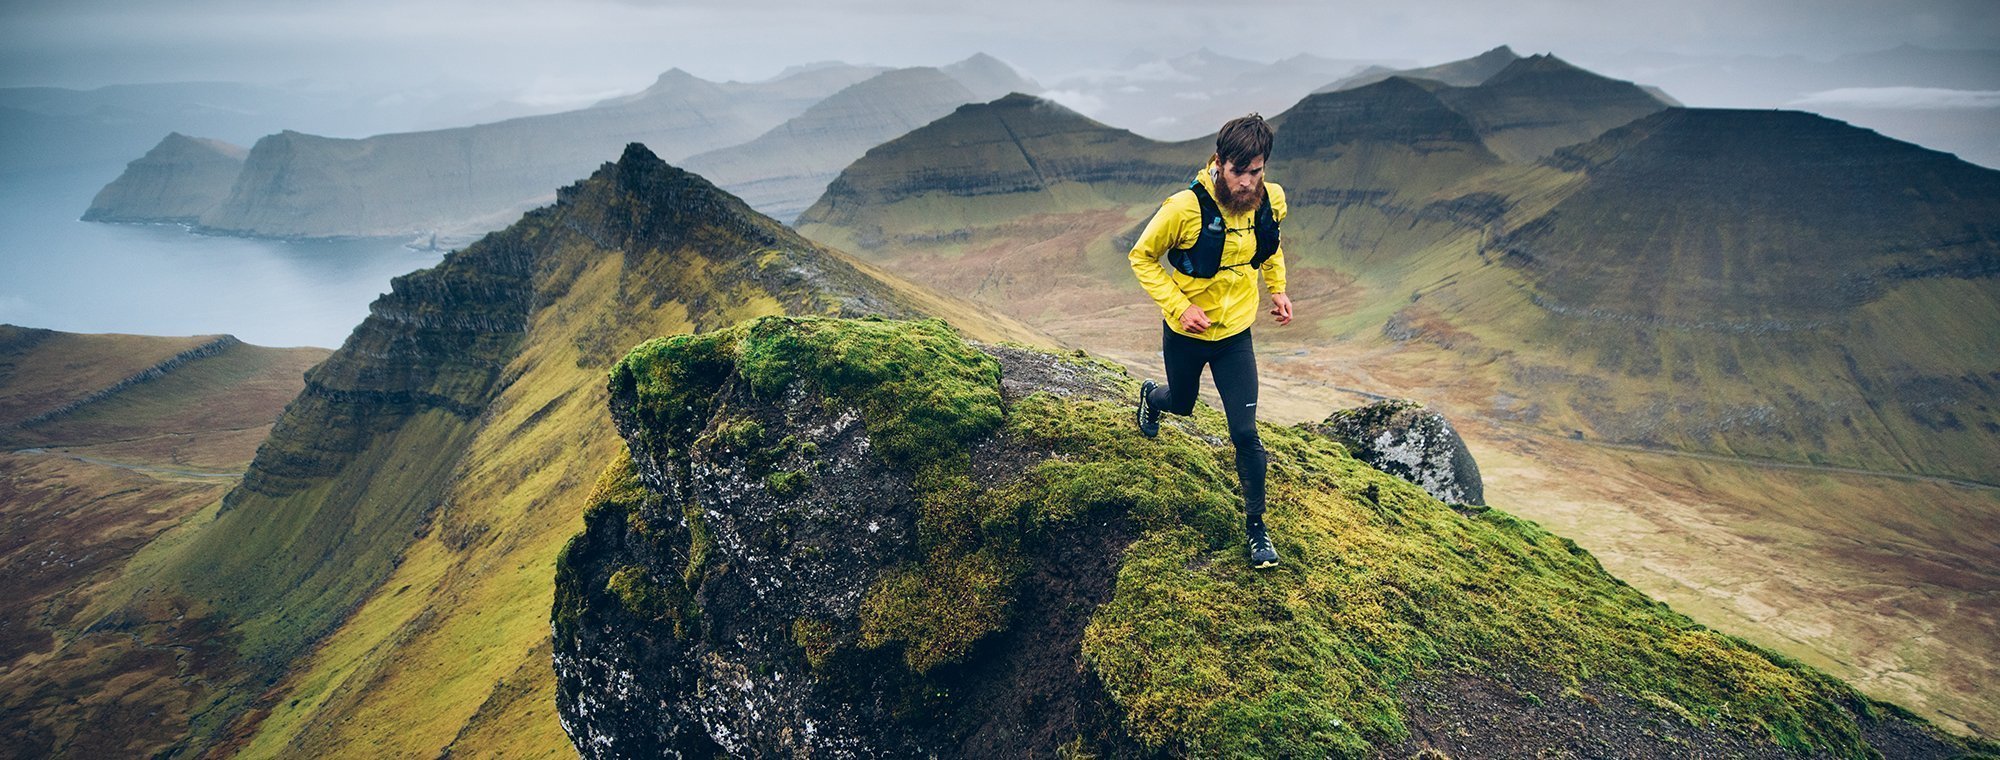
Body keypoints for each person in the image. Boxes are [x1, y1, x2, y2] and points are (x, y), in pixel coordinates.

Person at [1130, 113, 1294, 569]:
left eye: (1256, 171)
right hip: (1186, 333)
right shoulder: (1184, 207)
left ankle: (1257, 529)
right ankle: (1152, 398)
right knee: (1182, 403)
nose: (1246, 182)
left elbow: (1271, 245)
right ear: (1219, 163)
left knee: (1244, 432)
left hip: (1235, 336)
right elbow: (1141, 257)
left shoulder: (1270, 200)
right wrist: (1180, 306)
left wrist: (1277, 289)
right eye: (1238, 171)